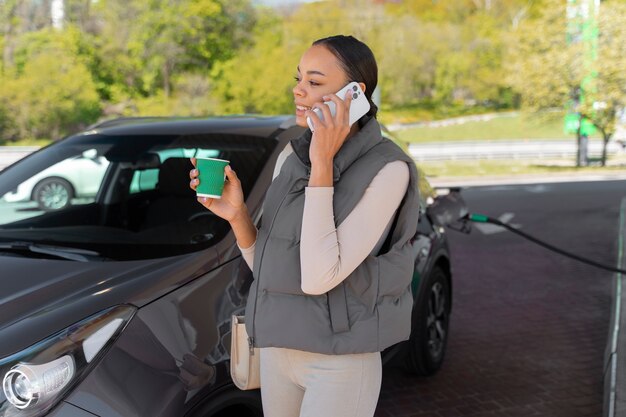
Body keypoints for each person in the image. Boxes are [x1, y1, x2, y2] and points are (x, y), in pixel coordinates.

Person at [189, 35, 420, 417]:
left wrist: (323, 165)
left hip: (340, 361)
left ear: (354, 93)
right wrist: (238, 215)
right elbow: (271, 272)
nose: (298, 91)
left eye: (314, 82)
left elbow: (317, 277)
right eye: (298, 79)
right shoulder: (291, 157)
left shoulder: (389, 169)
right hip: (279, 350)